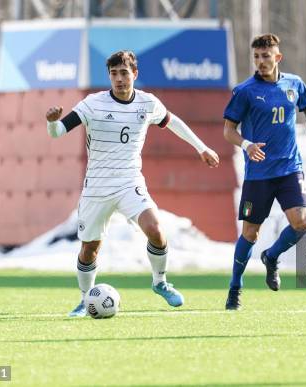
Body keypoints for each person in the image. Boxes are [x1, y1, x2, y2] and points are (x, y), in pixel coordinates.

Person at [45, 50, 220, 317]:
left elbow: (174, 123)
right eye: (113, 74)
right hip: (97, 188)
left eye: (124, 73)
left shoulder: (147, 103)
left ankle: (160, 283)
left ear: (134, 74)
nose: (119, 79)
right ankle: (84, 300)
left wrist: (202, 147)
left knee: (156, 230)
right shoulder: (93, 104)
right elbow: (58, 132)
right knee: (89, 248)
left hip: (130, 183)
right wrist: (52, 122)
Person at [222, 33, 306, 310]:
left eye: (266, 56)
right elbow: (228, 130)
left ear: (277, 57)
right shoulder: (244, 91)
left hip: (289, 169)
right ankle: (235, 287)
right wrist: (246, 145)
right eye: (256, 57)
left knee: (301, 223)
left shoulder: (294, 84)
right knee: (250, 234)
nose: (260, 62)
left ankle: (272, 256)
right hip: (258, 174)